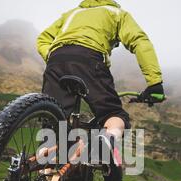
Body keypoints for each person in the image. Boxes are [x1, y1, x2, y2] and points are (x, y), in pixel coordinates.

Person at [37, 0, 165, 149]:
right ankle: (105, 141)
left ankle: (45, 166)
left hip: (56, 61)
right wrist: (154, 83)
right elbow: (139, 41)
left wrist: (56, 58)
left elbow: (43, 39)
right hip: (88, 60)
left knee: (54, 121)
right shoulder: (117, 13)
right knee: (113, 114)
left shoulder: (72, 13)